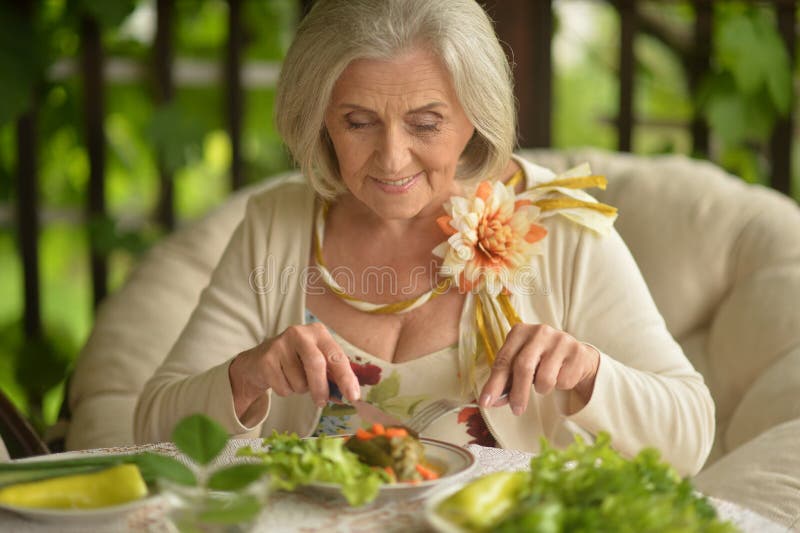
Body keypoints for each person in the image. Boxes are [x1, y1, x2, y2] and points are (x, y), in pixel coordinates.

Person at [134, 0, 714, 475]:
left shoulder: (562, 229)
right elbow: (155, 426)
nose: (391, 158)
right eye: (357, 122)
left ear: (475, 115)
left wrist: (590, 373)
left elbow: (690, 433)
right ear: (320, 120)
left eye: (426, 123)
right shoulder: (276, 226)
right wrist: (246, 377)